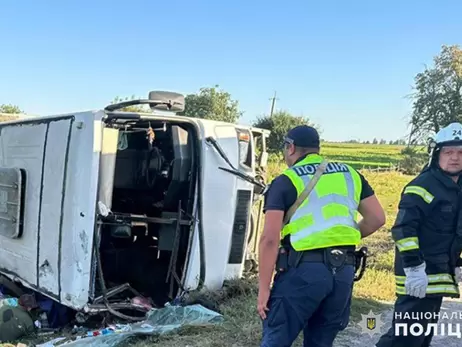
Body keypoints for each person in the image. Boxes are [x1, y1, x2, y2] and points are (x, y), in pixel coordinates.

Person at [257, 125, 386, 347]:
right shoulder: (350, 173)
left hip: (303, 271)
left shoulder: (286, 180)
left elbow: (269, 240)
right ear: (317, 148)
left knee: (277, 338)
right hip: (343, 271)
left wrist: (263, 288)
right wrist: (342, 238)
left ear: (291, 148)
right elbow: (377, 218)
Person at [376, 122, 462, 347]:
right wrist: (414, 268)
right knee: (404, 339)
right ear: (436, 154)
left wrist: (457, 261)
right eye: (448, 152)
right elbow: (403, 229)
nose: (455, 157)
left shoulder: (457, 187)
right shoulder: (424, 185)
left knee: (420, 339)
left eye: (461, 152)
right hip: (418, 276)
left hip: (437, 276)